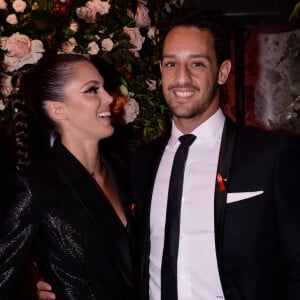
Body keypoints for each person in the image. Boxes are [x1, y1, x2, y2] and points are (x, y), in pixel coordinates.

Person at [37, 8, 300, 300]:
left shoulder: (272, 156)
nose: (181, 78)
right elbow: (116, 248)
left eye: (197, 64)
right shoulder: (139, 164)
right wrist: (61, 279)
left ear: (223, 72)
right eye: (171, 63)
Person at [0, 54, 136, 299]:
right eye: (92, 90)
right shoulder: (37, 186)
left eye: (104, 87)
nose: (108, 98)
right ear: (58, 109)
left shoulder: (123, 170)